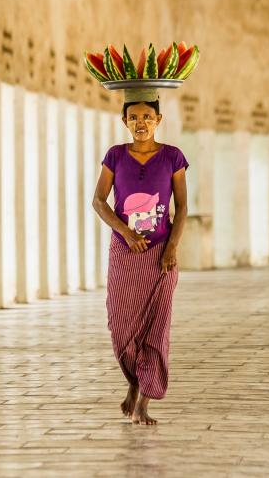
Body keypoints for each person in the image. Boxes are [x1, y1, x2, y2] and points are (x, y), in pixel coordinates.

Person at [92, 87, 189, 425]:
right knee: (121, 327)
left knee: (156, 328)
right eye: (134, 117)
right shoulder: (115, 156)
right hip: (125, 252)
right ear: (125, 121)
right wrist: (126, 233)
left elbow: (183, 207)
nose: (141, 123)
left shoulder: (173, 156)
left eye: (148, 116)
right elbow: (99, 202)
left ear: (158, 120)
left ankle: (144, 400)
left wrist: (172, 248)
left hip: (161, 254)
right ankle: (133, 381)